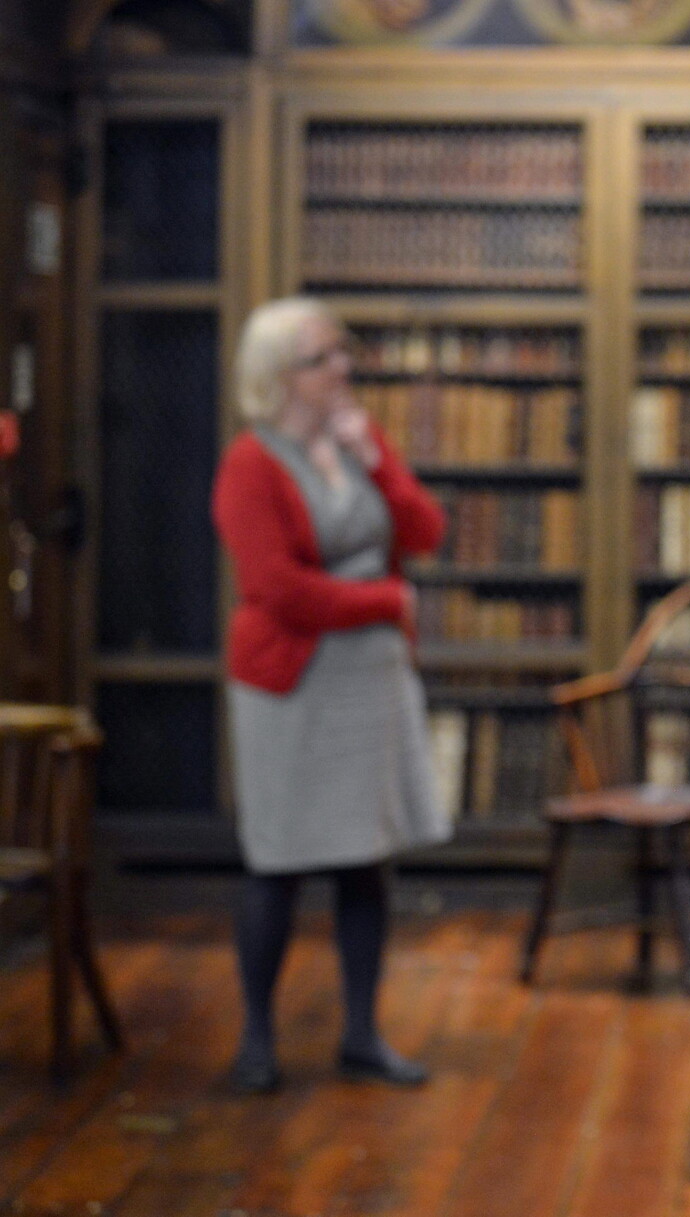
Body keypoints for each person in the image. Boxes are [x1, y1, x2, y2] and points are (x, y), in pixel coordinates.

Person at [212, 296, 450, 1092]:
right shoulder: (251, 463)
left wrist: (376, 461)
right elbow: (275, 589)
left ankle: (361, 1035)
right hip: (292, 682)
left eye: (340, 352)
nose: (342, 368)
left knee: (363, 862)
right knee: (277, 860)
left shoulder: (358, 440)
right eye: (324, 357)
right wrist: (384, 602)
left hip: (369, 684)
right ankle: (256, 1037)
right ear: (281, 375)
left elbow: (425, 531)